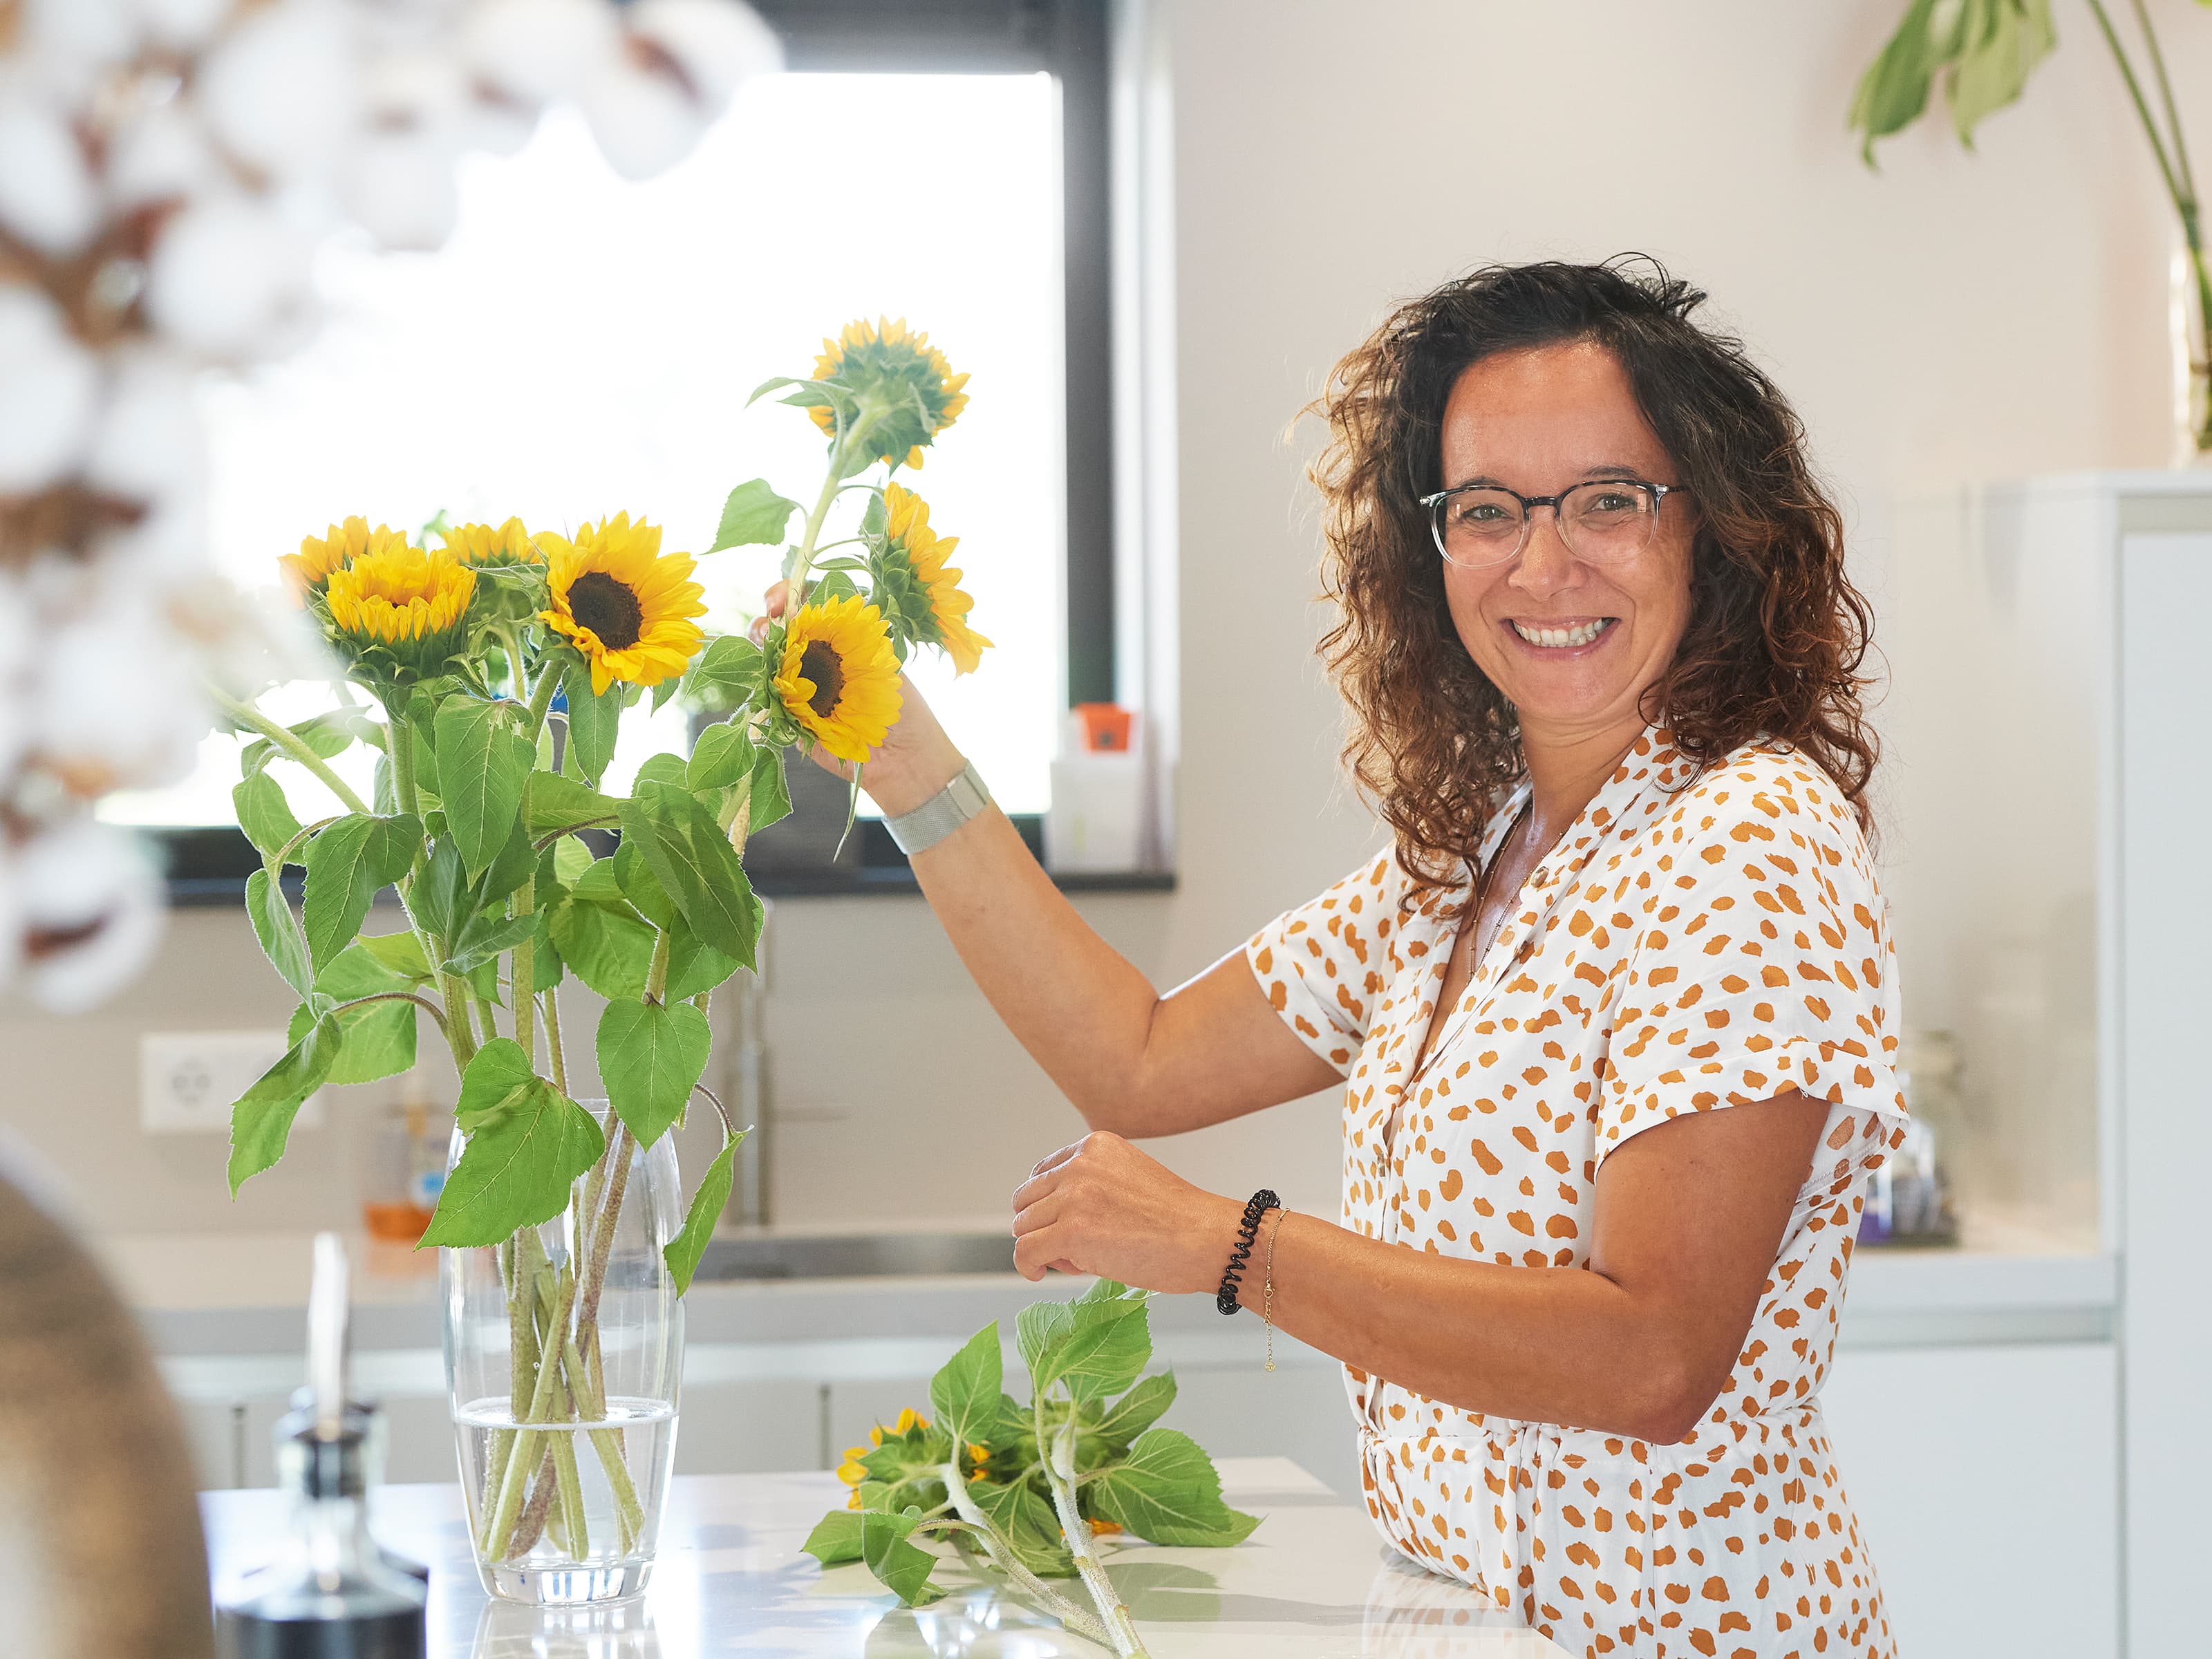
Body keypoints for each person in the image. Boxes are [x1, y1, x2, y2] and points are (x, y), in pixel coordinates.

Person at [761, 258, 1904, 1659]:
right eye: (1487, 511)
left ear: (1711, 529)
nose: (1544, 564)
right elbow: (1133, 1056)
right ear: (1428, 552)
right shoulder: (1474, 858)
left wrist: (1233, 1246)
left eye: (1608, 499)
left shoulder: (1746, 839)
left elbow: (1654, 1354)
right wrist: (906, 756)